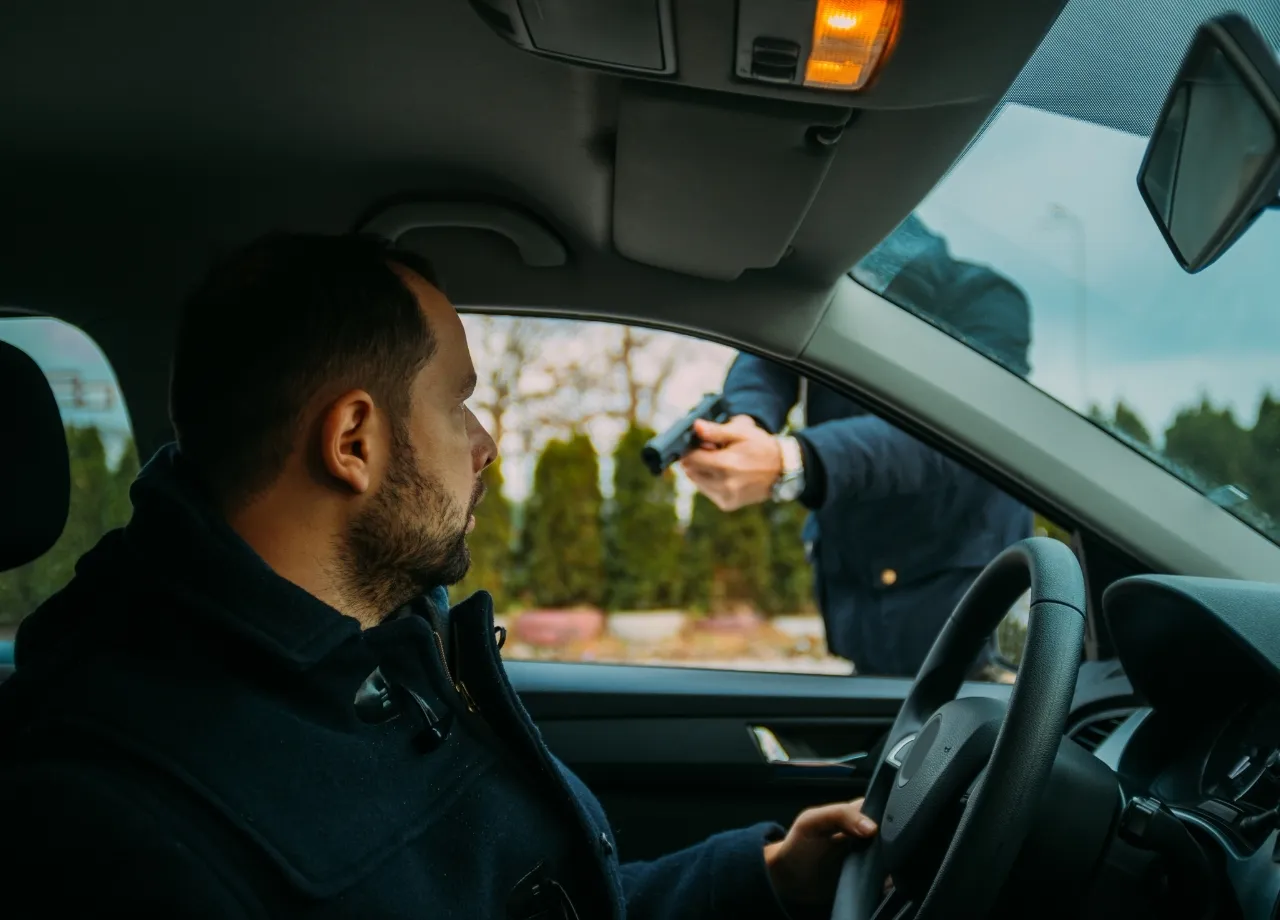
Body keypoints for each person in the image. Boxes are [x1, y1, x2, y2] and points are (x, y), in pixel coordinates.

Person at [0, 233, 880, 919]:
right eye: (458, 403)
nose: (486, 444)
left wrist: (761, 877)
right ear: (353, 442)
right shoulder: (118, 825)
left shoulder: (377, 661)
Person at [681, 214, 1034, 679]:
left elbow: (958, 434)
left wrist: (793, 461)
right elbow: (766, 360)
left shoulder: (986, 301)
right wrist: (748, 419)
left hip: (963, 617)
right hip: (863, 610)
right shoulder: (828, 288)